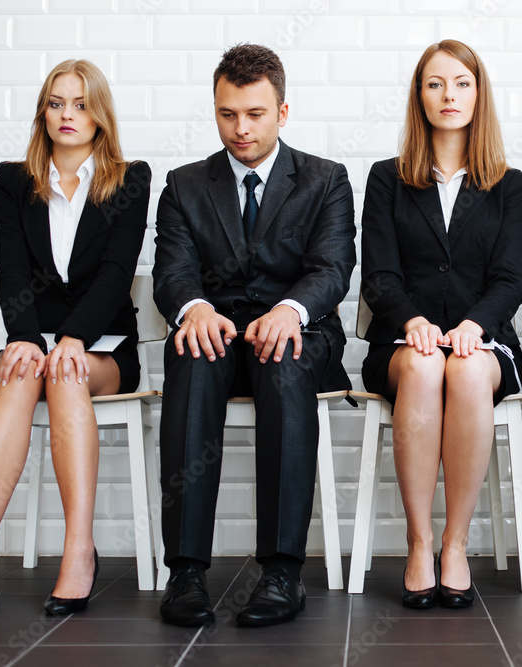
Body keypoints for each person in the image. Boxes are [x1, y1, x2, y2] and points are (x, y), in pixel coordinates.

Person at [153, 44, 355, 627]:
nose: (240, 129)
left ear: (282, 113)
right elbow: (173, 272)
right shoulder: (185, 185)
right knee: (191, 357)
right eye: (227, 114)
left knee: (283, 360)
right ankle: (187, 572)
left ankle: (282, 572)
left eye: (255, 114)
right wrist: (194, 309)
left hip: (297, 334)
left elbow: (332, 268)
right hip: (216, 333)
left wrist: (291, 310)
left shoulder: (324, 180)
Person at [0, 59, 151, 616]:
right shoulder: (13, 181)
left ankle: (77, 553)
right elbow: (10, 270)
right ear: (43, 112)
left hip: (103, 346)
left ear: (99, 115)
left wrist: (72, 337)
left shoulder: (129, 178)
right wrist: (24, 337)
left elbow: (118, 274)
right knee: (24, 370)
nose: (68, 115)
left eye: (81, 103)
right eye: (56, 103)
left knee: (65, 372)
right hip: (31, 340)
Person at [360, 40, 522, 610]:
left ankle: (455, 545)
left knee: (469, 371)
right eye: (435, 84)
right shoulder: (387, 179)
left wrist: (475, 327)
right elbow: (378, 276)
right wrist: (414, 322)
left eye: (461, 83)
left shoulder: (507, 183)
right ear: (419, 96)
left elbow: (508, 281)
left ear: (479, 94)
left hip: (483, 343)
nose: (448, 95)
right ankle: (419, 541)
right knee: (429, 364)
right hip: (403, 344)